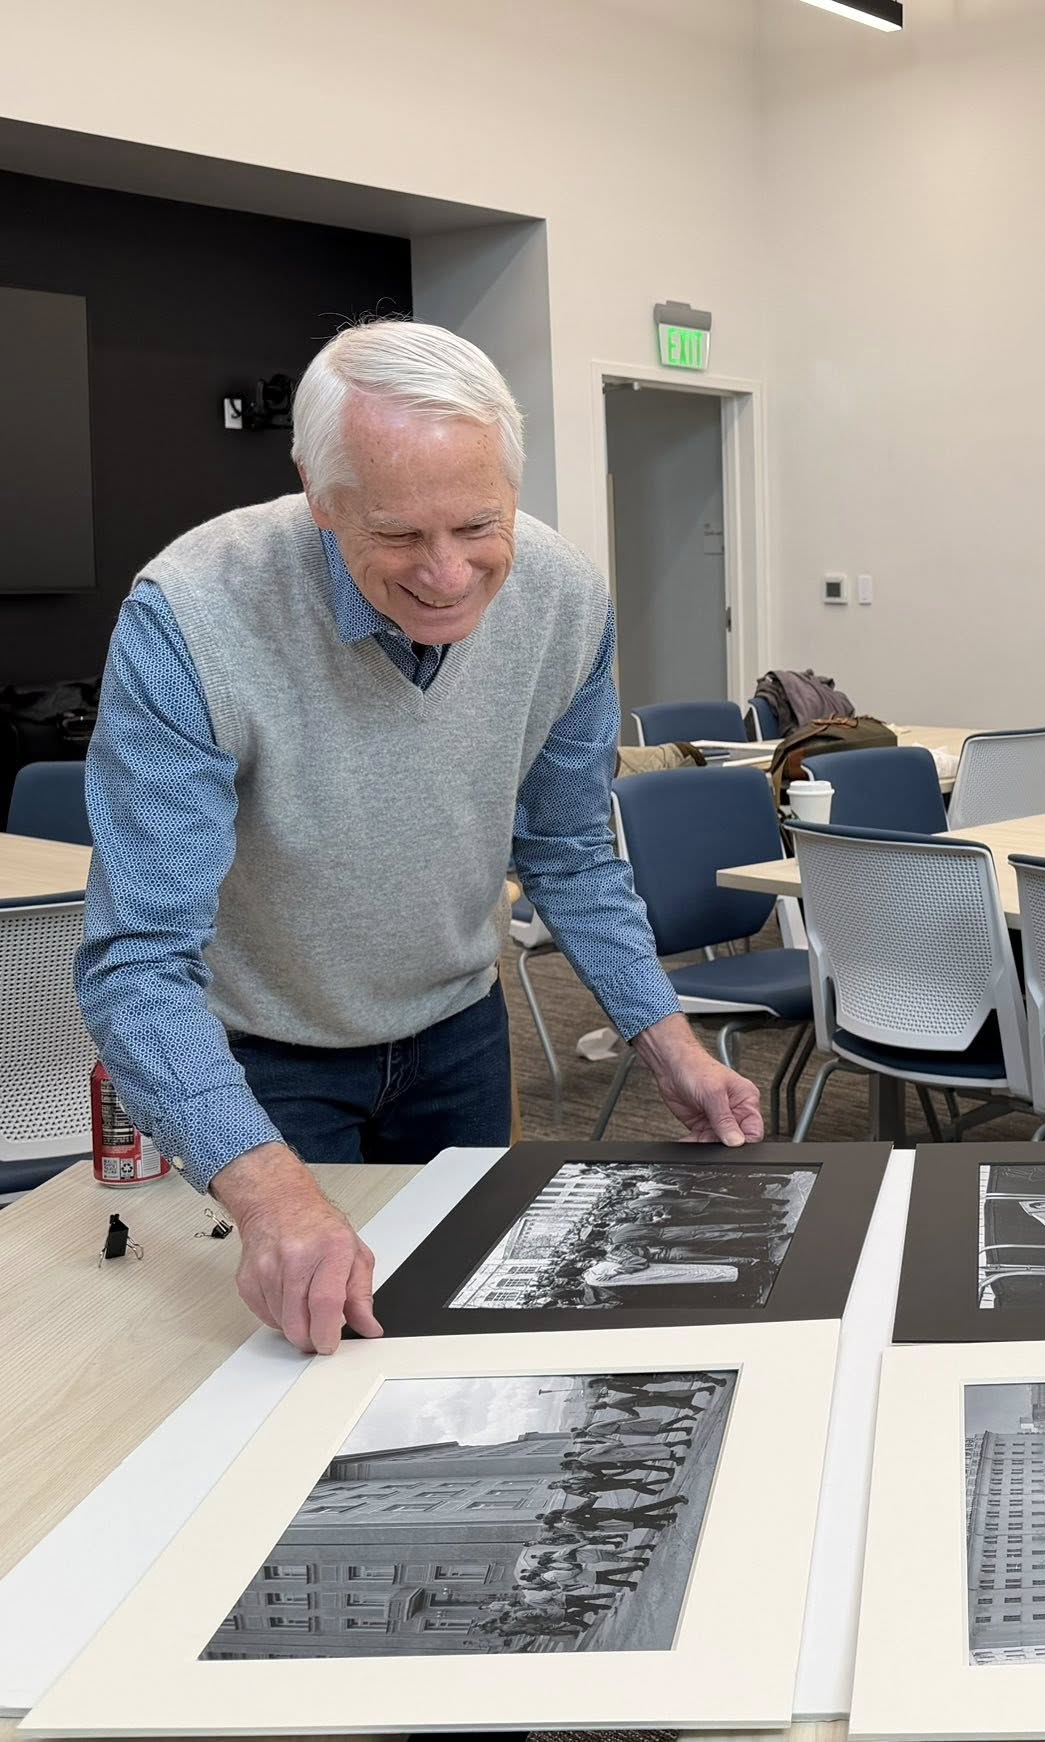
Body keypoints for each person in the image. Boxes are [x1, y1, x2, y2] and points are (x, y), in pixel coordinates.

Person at [75, 319, 765, 1358]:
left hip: (458, 1031)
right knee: (299, 1358)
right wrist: (264, 1187)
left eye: (479, 526)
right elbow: (136, 957)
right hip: (265, 1057)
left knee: (468, 1329)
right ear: (319, 489)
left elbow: (570, 851)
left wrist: (663, 1040)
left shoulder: (564, 596)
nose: (447, 574)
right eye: (399, 535)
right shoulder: (193, 613)